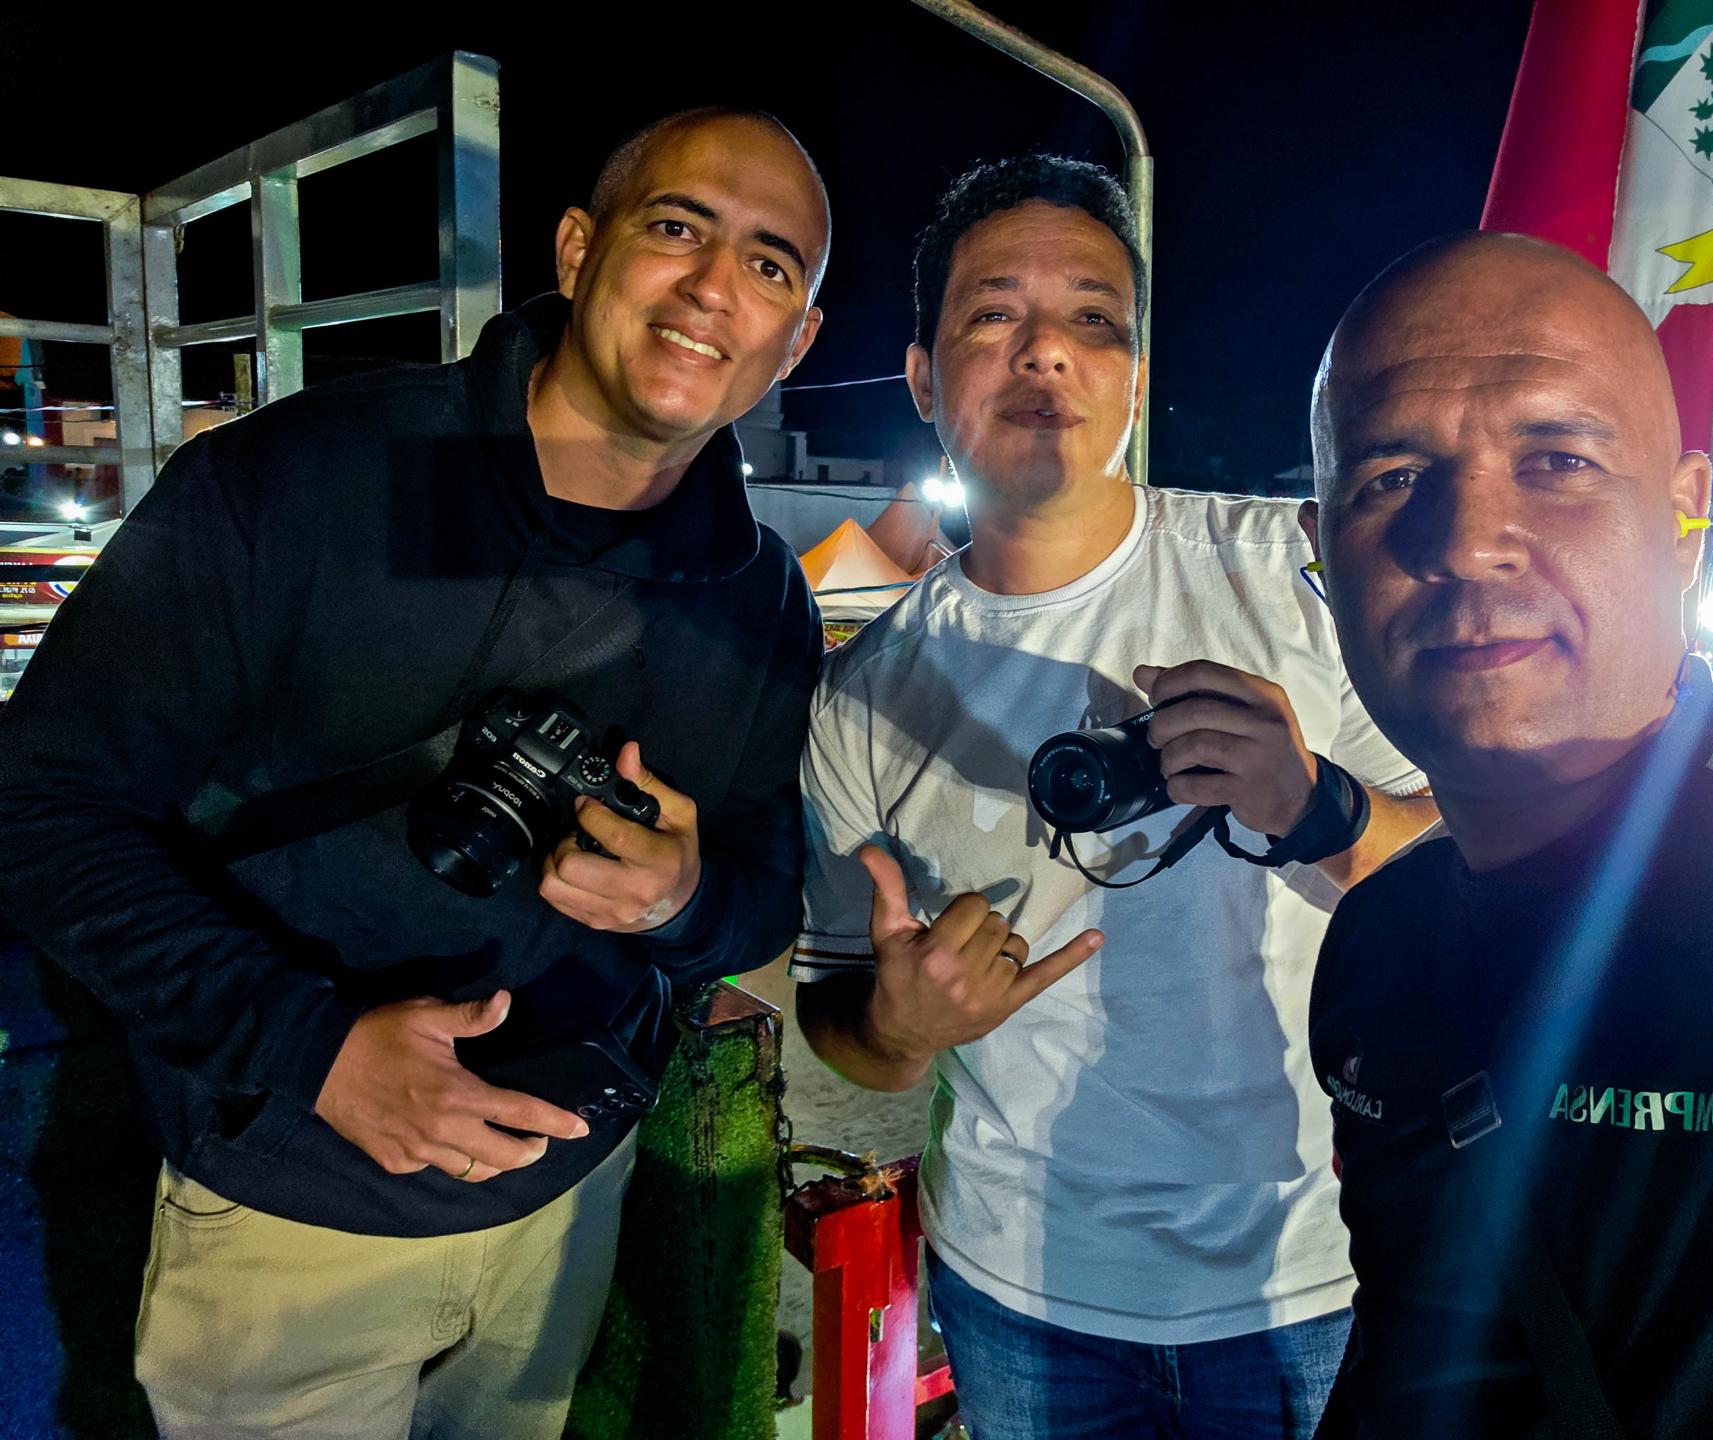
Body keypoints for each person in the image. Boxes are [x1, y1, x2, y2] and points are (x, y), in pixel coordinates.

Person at [0, 107, 829, 1439]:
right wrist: (312, 1049)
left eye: (770, 264)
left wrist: (683, 900)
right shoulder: (299, 481)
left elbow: (764, 894)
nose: (714, 285)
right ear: (578, 248)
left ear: (799, 338)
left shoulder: (763, 598)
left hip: (570, 1193)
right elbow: (39, 805)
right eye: (677, 227)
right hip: (294, 1205)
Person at [791, 155, 1436, 1439]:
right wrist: (905, 1027)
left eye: (1095, 318)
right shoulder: (864, 690)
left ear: (1136, 375)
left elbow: (1482, 873)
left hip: (1311, 1274)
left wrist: (1319, 807)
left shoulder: (1293, 572)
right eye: (994, 313)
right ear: (920, 378)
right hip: (1019, 1289)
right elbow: (834, 1013)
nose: (1047, 352)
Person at [1299, 231, 1713, 1437]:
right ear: (1324, 553)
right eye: (1392, 477)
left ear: (1686, 515)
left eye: (1558, 460)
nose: (1466, 538)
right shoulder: (1377, 941)